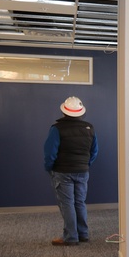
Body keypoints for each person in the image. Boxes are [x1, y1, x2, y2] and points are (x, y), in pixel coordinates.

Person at [44, 96, 98, 246]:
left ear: (64, 112)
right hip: (82, 171)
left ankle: (70, 237)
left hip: (62, 172)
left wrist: (49, 167)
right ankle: (83, 234)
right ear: (80, 112)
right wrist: (85, 164)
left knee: (67, 203)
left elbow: (50, 153)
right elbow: (94, 151)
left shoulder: (57, 129)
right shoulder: (89, 128)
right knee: (80, 202)